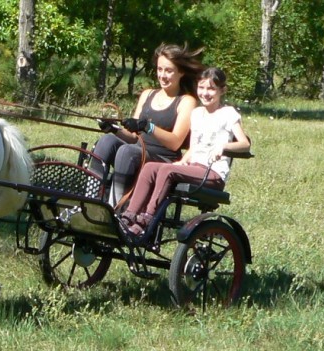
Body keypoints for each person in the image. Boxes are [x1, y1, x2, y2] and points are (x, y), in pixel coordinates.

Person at [119, 67, 251, 245]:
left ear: (222, 90)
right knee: (150, 167)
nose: (205, 93)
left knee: (166, 170)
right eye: (202, 87)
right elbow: (195, 146)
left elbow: (245, 144)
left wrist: (223, 146)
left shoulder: (228, 114)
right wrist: (183, 161)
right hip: (194, 167)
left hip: (212, 174)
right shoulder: (196, 114)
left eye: (211, 89)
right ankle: (128, 216)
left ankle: (146, 220)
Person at [90, 43, 205, 207]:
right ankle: (89, 200)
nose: (163, 75)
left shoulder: (187, 101)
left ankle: (114, 209)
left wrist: (147, 127)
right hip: (138, 150)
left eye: (169, 71)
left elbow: (175, 142)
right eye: (160, 69)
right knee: (107, 141)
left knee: (126, 152)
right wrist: (113, 129)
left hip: (163, 158)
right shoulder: (147, 95)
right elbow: (132, 137)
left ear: (181, 72)